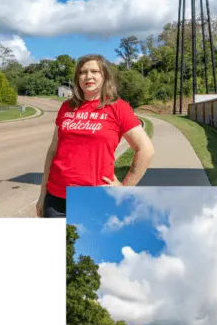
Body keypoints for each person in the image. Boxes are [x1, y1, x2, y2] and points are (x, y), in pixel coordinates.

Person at [36, 54, 155, 218]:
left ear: (104, 76)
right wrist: (43, 194)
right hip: (55, 198)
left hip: (95, 199)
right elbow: (53, 151)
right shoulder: (67, 107)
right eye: (83, 72)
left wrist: (124, 188)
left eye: (94, 71)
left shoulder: (118, 108)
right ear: (77, 77)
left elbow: (145, 149)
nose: (88, 76)